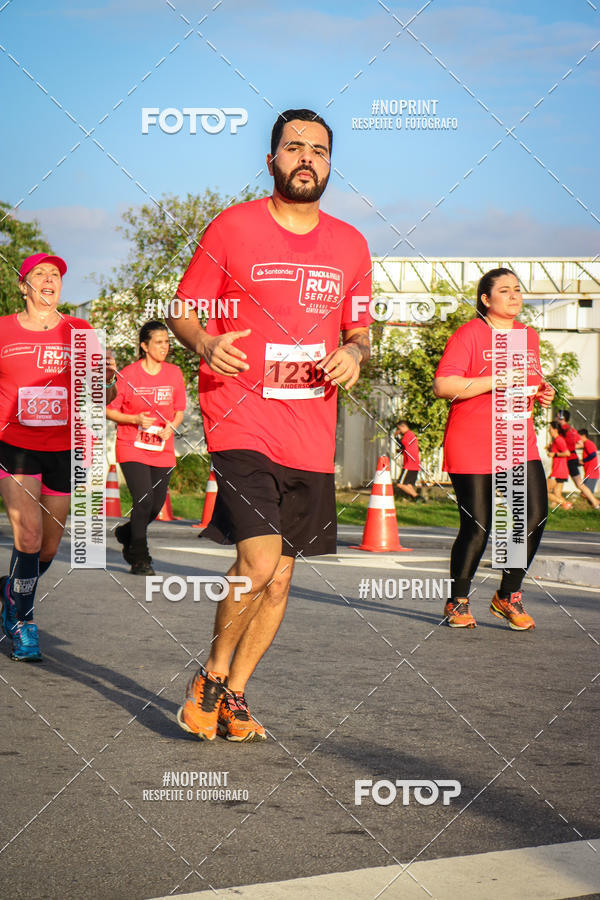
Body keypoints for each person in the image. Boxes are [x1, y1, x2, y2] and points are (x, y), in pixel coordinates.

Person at [168, 108, 371, 742]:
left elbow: (360, 330)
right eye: (294, 147)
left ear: (331, 163)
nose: (307, 157)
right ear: (272, 160)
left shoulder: (352, 245)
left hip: (310, 428)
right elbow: (182, 309)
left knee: (282, 577)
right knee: (257, 562)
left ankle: (233, 692)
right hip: (239, 416)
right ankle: (209, 674)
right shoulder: (232, 228)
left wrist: (355, 355)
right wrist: (204, 343)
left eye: (319, 149)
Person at [0, 253, 116, 661]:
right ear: (23, 285)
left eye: (56, 275)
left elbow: (103, 393)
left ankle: (10, 591)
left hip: (66, 448)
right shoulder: (3, 331)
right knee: (27, 534)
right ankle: (22, 622)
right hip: (14, 444)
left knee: (47, 548)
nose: (49, 280)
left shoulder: (79, 329)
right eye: (40, 274)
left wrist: (106, 378)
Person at [433, 268, 555, 630]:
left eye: (518, 289)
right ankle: (458, 601)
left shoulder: (527, 336)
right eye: (505, 290)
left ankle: (508, 595)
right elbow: (444, 385)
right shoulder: (470, 334)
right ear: (486, 300)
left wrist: (542, 391)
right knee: (479, 526)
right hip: (472, 443)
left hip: (517, 441)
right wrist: (495, 379)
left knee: (532, 517)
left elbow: (529, 379)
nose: (515, 295)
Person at [106, 321, 186, 575]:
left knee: (154, 505)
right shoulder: (128, 374)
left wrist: (171, 426)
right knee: (143, 500)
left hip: (162, 446)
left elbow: (180, 410)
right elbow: (109, 410)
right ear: (144, 345)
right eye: (159, 342)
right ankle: (140, 557)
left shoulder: (174, 373)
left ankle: (126, 532)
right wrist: (135, 420)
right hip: (132, 444)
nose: (165, 346)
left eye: (167, 342)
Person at [557, 411, 600, 509]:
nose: (556, 418)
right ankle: (558, 503)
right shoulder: (568, 429)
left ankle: (595, 503)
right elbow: (579, 444)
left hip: (571, 460)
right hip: (567, 459)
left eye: (558, 416)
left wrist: (567, 449)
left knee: (579, 484)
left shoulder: (567, 430)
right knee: (559, 480)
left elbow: (589, 451)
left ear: (562, 418)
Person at [546, 420, 572, 510]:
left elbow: (567, 453)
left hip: (558, 471)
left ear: (555, 429)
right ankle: (568, 509)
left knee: (542, 491)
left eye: (550, 428)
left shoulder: (559, 440)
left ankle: (565, 503)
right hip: (561, 471)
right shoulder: (555, 441)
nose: (549, 430)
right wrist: (550, 450)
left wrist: (554, 454)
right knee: (557, 494)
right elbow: (556, 453)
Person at [394, 419, 420, 499]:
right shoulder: (411, 435)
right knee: (409, 484)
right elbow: (407, 449)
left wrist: (396, 437)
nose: (399, 431)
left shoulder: (407, 436)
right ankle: (416, 499)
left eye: (399, 428)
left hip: (409, 464)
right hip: (415, 464)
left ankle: (417, 497)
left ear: (403, 426)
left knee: (400, 484)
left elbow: (402, 446)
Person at [578, 429, 599, 498]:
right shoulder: (586, 444)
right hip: (589, 473)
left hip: (592, 474)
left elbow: (593, 455)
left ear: (583, 436)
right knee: (585, 494)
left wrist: (583, 460)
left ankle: (596, 505)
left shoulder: (588, 443)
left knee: (586, 495)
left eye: (579, 437)